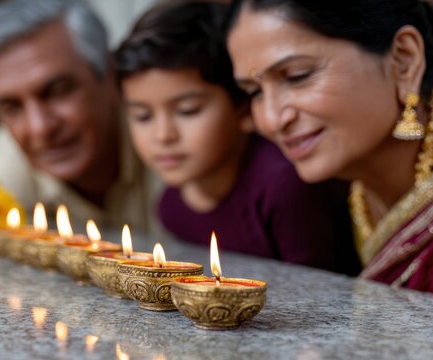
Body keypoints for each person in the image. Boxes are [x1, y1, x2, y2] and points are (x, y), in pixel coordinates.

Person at [226, 0, 433, 296]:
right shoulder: (350, 178)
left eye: (298, 75)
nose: (271, 120)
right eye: (254, 92)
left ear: (404, 60)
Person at [115, 0, 361, 275]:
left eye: (188, 110)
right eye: (142, 116)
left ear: (244, 107)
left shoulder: (284, 187)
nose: (163, 136)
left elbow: (322, 300)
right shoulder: (170, 207)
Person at [0, 0, 159, 231]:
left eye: (58, 92)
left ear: (110, 75)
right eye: (11, 107)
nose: (40, 127)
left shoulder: (170, 139)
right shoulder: (7, 158)